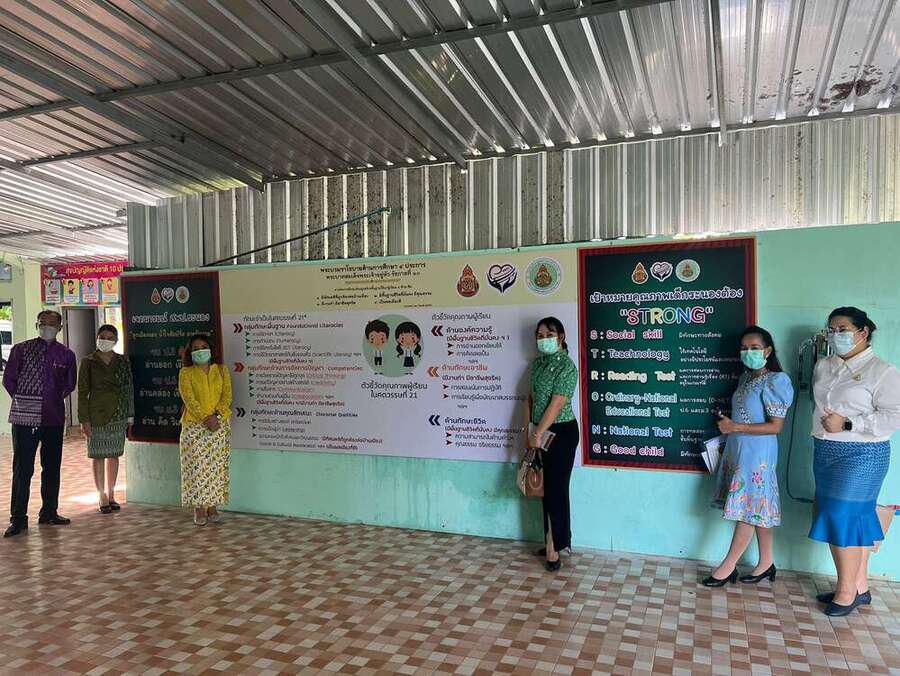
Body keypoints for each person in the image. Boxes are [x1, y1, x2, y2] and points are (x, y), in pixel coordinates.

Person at [808, 307, 900, 616]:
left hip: (863, 453)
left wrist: (849, 424)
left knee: (842, 517)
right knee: (850, 518)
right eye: (831, 329)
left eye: (843, 329)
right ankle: (859, 587)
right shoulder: (824, 366)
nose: (835, 335)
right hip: (825, 450)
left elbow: (894, 416)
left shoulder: (882, 371)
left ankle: (846, 591)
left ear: (863, 332)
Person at [703, 326, 794, 587]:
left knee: (748, 510)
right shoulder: (745, 378)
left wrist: (735, 426)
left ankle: (727, 567)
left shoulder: (777, 380)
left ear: (768, 350)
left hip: (758, 454)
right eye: (744, 348)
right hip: (739, 450)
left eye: (754, 348)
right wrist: (730, 427)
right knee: (759, 508)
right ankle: (766, 563)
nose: (748, 352)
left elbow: (775, 426)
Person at [3, 310, 77, 538]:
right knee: (23, 468)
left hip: (53, 417)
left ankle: (49, 512)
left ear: (60, 327)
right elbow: (9, 380)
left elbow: (69, 384)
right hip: (24, 417)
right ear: (37, 325)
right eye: (43, 323)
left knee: (52, 466)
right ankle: (18, 518)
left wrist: (50, 399)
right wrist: (28, 400)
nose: (47, 327)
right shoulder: (20, 350)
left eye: (52, 324)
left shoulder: (66, 355)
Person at [524, 317, 579, 571]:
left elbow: (557, 404)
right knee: (545, 489)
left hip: (560, 433)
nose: (543, 339)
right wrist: (529, 430)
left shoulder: (567, 367)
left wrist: (538, 433)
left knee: (557, 490)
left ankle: (553, 547)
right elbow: (531, 399)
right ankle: (554, 538)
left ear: (561, 337)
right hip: (539, 431)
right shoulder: (537, 365)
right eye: (540, 335)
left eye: (549, 334)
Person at [78, 325, 134, 514]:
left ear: (116, 341)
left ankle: (111, 494)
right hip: (96, 415)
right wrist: (84, 420)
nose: (106, 340)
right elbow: (82, 393)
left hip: (118, 414)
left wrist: (130, 415)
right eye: (102, 336)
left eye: (110, 337)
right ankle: (101, 495)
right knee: (98, 455)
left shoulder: (122, 361)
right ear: (97, 338)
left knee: (114, 455)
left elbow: (128, 387)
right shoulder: (88, 361)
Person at [178, 334, 232, 526]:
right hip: (194, 426)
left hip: (218, 425)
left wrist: (216, 416)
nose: (200, 351)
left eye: (203, 347)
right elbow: (189, 399)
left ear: (210, 349)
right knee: (196, 468)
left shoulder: (222, 371)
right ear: (190, 353)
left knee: (216, 467)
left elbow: (227, 397)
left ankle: (212, 506)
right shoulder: (186, 373)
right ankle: (199, 508)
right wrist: (205, 418)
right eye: (195, 349)